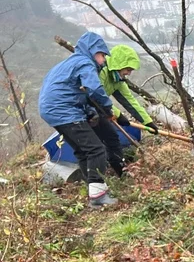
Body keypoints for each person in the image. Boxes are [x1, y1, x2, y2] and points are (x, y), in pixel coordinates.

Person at [38, 32, 118, 207]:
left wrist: (89, 111)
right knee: (96, 149)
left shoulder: (66, 64)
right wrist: (107, 108)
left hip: (50, 111)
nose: (104, 60)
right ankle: (98, 197)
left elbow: (73, 92)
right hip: (63, 110)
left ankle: (92, 189)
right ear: (93, 51)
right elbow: (94, 89)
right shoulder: (84, 62)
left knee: (83, 151)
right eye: (102, 55)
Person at [98, 44, 160, 175]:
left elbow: (130, 102)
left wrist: (148, 122)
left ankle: (121, 173)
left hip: (98, 110)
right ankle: (99, 176)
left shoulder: (118, 80)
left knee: (112, 138)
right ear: (119, 64)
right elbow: (97, 97)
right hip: (85, 110)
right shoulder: (101, 72)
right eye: (128, 69)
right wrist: (118, 114)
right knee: (96, 145)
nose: (129, 73)